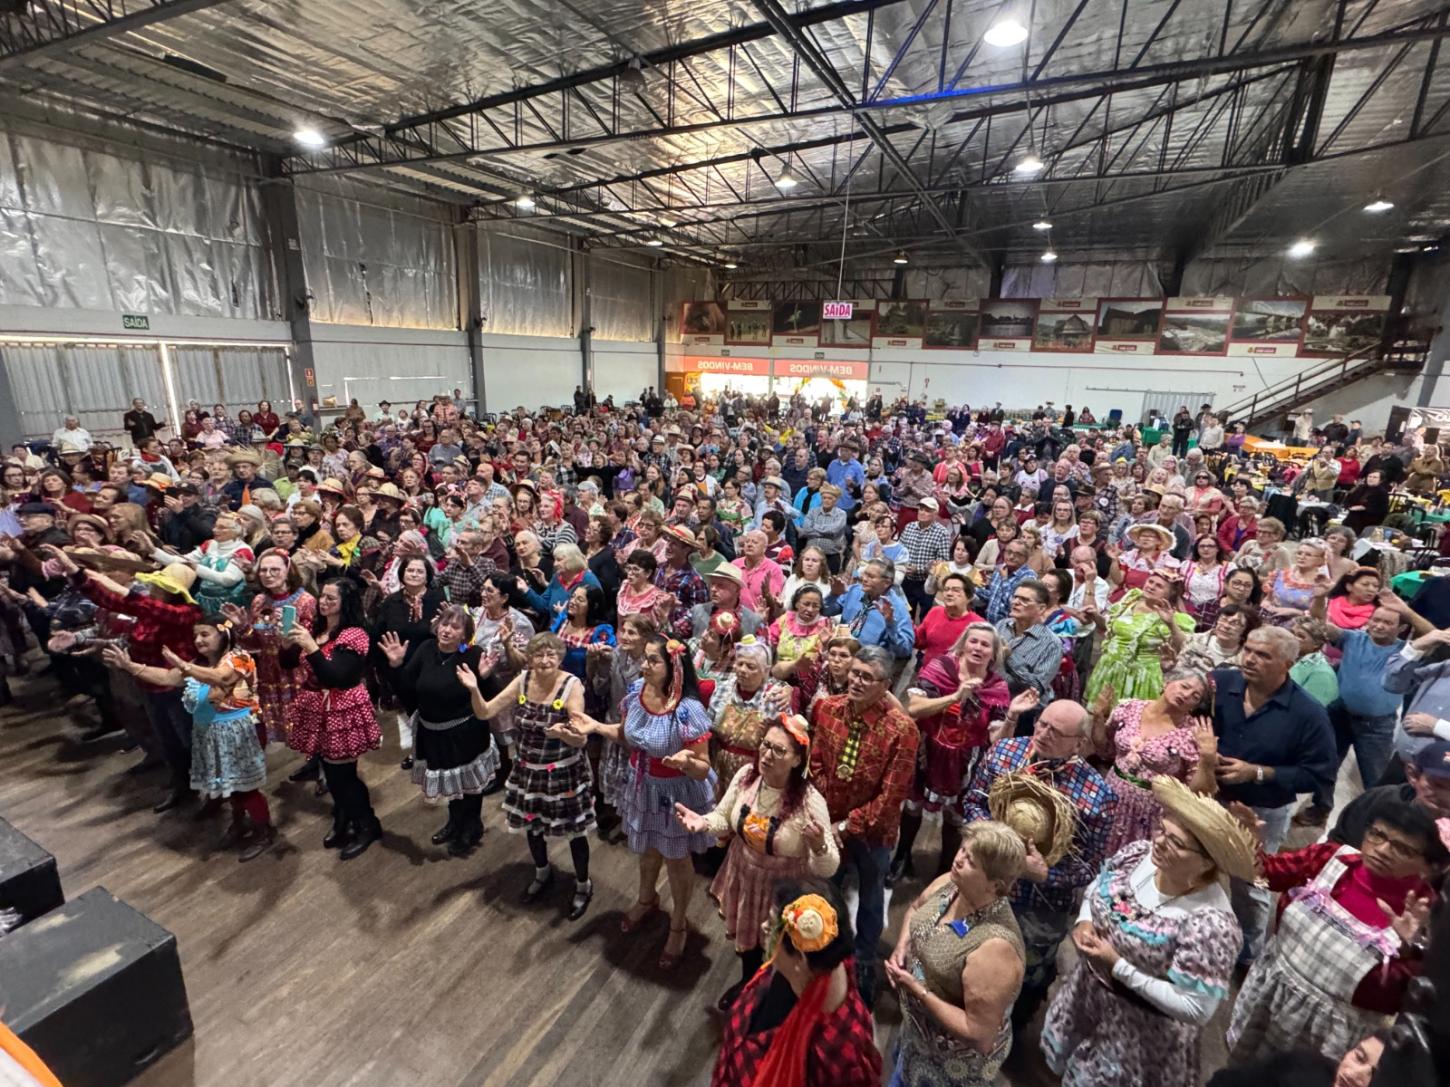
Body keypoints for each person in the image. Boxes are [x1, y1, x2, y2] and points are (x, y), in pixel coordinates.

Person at [1042, 777, 1252, 1087]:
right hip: (1088, 994)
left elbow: (1195, 1009)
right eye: (1162, 830)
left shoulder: (1211, 925)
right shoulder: (1138, 855)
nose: (1160, 842)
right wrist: (1084, 921)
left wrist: (1118, 966)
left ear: (1207, 863)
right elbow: (1098, 886)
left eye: (1176, 843)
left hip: (1139, 1031)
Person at [1226, 800, 1442, 1067]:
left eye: (1403, 849)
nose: (1383, 850)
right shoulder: (1331, 859)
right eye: (1377, 834)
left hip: (1331, 1035)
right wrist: (1246, 838)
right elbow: (1268, 873)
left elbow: (1420, 996)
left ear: (1427, 867)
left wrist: (1411, 951)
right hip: (1271, 997)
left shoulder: (1426, 915)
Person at [963, 699, 1115, 1028]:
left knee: (1026, 972)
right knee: (968, 950)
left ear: (1079, 743)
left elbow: (1090, 865)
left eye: (1056, 732)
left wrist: (1047, 874)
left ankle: (1014, 1025)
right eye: (1041, 724)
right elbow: (974, 800)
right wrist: (992, 840)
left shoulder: (1097, 795)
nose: (1043, 734)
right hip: (983, 881)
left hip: (1039, 905)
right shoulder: (1005, 753)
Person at [675, 714, 838, 1010]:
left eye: (779, 750)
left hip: (784, 889)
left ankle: (776, 999)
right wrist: (703, 823)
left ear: (797, 760)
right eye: (765, 745)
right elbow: (724, 818)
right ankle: (748, 984)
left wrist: (819, 845)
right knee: (748, 940)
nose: (767, 754)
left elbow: (829, 867)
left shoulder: (810, 801)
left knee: (780, 950)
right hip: (745, 875)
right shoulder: (746, 777)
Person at [574, 635, 717, 967]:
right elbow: (627, 735)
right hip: (643, 785)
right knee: (648, 850)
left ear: (674, 666)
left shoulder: (688, 709)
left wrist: (686, 762)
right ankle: (646, 898)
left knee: (677, 859)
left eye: (653, 660)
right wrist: (596, 726)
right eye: (645, 658)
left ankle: (678, 924)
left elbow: (703, 767)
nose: (644, 665)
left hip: (676, 793)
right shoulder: (637, 692)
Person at [1209, 626, 1336, 963]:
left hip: (1262, 810)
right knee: (1196, 864)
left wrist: (1258, 772)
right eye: (1248, 650)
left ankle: (1246, 955)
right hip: (1210, 796)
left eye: (1263, 655)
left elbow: (1320, 773)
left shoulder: (1308, 714)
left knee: (1249, 883)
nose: (1249, 659)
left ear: (1287, 664)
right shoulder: (1221, 683)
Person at [102, 616, 276, 862]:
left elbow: (221, 678)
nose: (198, 640)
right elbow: (167, 678)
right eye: (195, 636)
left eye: (205, 634)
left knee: (244, 787)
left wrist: (183, 665)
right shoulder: (199, 664)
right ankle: (239, 823)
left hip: (243, 731)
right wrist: (130, 666)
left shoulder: (239, 657)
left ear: (223, 634)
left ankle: (264, 831)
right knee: (229, 785)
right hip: (216, 732)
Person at [808, 644, 919, 1006]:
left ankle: (864, 962)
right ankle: (826, 949)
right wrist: (827, 816)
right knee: (828, 888)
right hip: (830, 822)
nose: (856, 681)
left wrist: (844, 827)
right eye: (854, 673)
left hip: (873, 834)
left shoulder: (902, 729)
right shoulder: (826, 708)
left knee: (871, 899)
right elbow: (816, 761)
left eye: (867, 678)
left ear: (885, 685)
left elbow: (891, 797)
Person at [884, 821, 1027, 1087]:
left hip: (950, 1064)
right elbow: (916, 908)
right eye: (963, 850)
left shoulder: (995, 949)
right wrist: (902, 945)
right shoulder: (951, 884)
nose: (959, 860)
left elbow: (979, 1034)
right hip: (917, 1035)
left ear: (995, 885)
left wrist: (919, 991)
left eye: (971, 862)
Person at [710, 880, 881, 1087]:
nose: (763, 927)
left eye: (772, 927)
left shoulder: (838, 1055)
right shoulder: (804, 966)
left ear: (800, 958)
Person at [894, 622, 1021, 884]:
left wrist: (1011, 718)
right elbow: (914, 708)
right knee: (913, 806)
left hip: (967, 762)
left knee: (956, 816)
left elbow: (996, 739)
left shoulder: (997, 686)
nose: (978, 648)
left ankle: (945, 869)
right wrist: (955, 696)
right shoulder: (941, 667)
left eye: (985, 645)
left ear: (993, 653)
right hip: (928, 751)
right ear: (962, 645)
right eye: (973, 641)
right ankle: (901, 857)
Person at [491, 632, 596, 920]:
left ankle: (583, 885)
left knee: (575, 831)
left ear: (560, 658)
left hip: (563, 772)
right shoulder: (523, 680)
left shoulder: (571, 685)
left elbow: (580, 736)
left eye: (551, 655)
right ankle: (541, 872)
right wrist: (474, 688)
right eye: (538, 654)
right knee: (533, 825)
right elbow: (486, 709)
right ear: (530, 658)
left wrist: (566, 733)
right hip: (528, 770)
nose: (545, 660)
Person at [379, 604, 499, 856]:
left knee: (469, 785)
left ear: (465, 634)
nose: (447, 630)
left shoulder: (473, 655)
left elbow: (491, 699)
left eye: (455, 627)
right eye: (444, 624)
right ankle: (455, 823)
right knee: (450, 781)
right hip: (433, 733)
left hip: (465, 734)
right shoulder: (426, 649)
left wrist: (485, 677)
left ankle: (472, 826)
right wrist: (397, 665)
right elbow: (408, 691)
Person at [280, 578, 384, 860]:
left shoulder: (355, 634)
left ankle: (367, 824)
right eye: (322, 597)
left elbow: (336, 676)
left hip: (341, 709)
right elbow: (288, 663)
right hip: (318, 707)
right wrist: (287, 644)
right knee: (330, 771)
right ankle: (343, 816)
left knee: (343, 777)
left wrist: (311, 647)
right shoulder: (317, 627)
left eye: (331, 599)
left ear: (345, 603)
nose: (323, 603)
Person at [1090, 667, 1218, 854]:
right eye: (1184, 686)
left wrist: (1207, 760)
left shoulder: (1191, 735)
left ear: (1195, 706)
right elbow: (1105, 750)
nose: (1186, 695)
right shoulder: (1129, 708)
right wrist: (1098, 718)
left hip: (1149, 814)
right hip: (1110, 797)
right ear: (1167, 682)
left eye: (1195, 696)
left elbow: (1195, 793)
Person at [1083, 570, 1194, 704]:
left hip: (1141, 678)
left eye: (1159, 586)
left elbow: (1184, 646)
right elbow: (1108, 627)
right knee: (1098, 713)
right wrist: (1095, 616)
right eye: (1150, 582)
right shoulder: (1131, 600)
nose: (1151, 587)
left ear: (1171, 593)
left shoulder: (1176, 618)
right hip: (1109, 669)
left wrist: (1171, 624)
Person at [708, 636, 792, 791]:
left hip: (756, 773)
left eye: (750, 666)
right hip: (718, 770)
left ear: (765, 671)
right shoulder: (723, 688)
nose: (742, 670)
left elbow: (784, 742)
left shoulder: (775, 698)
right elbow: (709, 728)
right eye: (739, 664)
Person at [820, 558, 914, 662]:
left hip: (868, 664)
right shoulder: (854, 590)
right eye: (865, 574)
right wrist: (834, 594)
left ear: (886, 582)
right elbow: (825, 611)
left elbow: (905, 650)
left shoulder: (897, 608)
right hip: (841, 655)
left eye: (871, 576)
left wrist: (891, 624)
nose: (864, 579)